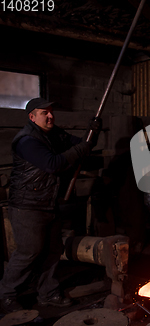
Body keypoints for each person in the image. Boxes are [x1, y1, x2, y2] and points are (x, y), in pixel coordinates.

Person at [0, 98, 101, 313]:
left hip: (49, 203)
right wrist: (83, 147)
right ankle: (6, 295)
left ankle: (48, 293)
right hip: (27, 207)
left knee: (53, 251)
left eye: (51, 112)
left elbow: (81, 145)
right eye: (44, 112)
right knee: (29, 252)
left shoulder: (54, 134)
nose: (50, 116)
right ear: (32, 117)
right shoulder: (26, 141)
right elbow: (52, 164)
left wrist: (93, 132)